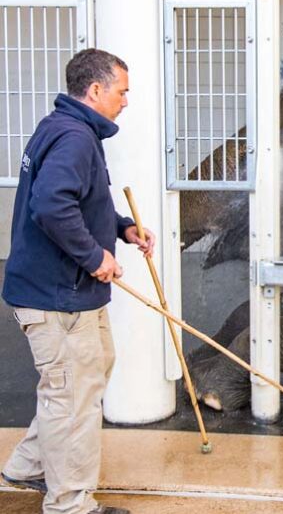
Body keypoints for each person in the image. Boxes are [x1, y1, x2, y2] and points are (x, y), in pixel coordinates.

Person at [1, 48, 155, 514]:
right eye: (121, 91)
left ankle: (29, 464)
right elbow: (51, 206)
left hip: (63, 292)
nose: (126, 100)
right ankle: (70, 503)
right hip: (58, 297)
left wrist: (122, 227)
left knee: (84, 377)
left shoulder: (65, 128)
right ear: (95, 90)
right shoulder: (74, 138)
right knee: (72, 396)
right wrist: (94, 258)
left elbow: (82, 201)